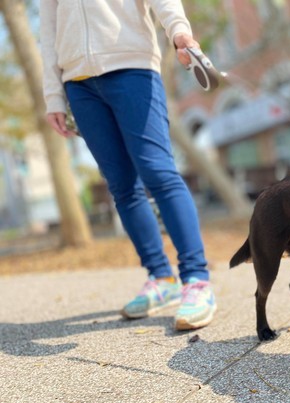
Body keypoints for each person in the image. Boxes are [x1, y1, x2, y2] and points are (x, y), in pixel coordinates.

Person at [40, 0, 216, 331]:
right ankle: (161, 278)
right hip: (77, 84)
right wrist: (53, 95)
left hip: (131, 67)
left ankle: (196, 281)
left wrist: (179, 32)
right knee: (121, 185)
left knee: (159, 174)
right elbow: (47, 32)